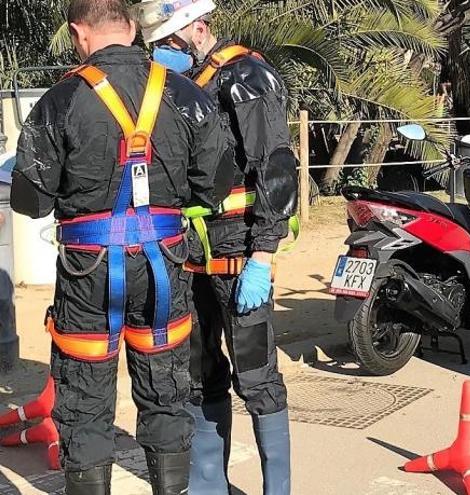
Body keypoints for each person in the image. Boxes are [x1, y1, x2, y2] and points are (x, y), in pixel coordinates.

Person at [10, 0, 235, 492]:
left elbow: (30, 202)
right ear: (133, 28)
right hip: (165, 268)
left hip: (87, 274)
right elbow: (216, 187)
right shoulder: (186, 94)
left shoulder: (60, 100)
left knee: (85, 400)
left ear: (78, 33)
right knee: (165, 390)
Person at [132, 1, 298, 493]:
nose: (162, 54)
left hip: (241, 254)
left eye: (168, 44)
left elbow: (275, 166)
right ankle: (210, 485)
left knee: (257, 377)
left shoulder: (245, 76)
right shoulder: (181, 89)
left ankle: (277, 487)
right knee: (198, 373)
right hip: (190, 256)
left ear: (197, 28)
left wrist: (263, 258)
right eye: (156, 47)